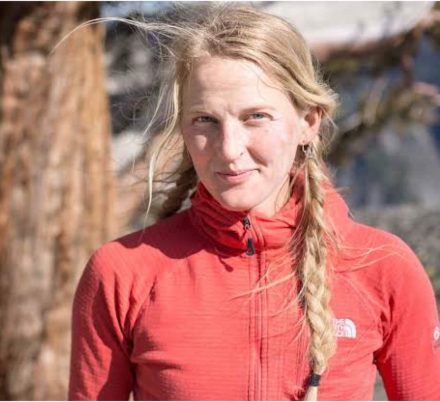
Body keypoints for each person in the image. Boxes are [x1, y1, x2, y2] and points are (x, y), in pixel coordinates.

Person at [68, 4, 440, 401]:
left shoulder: (382, 269)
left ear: (308, 122)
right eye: (205, 121)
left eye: (255, 117)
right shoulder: (123, 275)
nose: (229, 150)